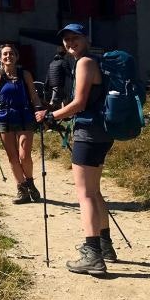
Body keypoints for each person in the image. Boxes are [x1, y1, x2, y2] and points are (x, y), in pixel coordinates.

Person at [34, 23, 116, 276]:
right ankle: (105, 246)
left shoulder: (84, 63)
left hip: (88, 134)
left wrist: (51, 116)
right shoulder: (96, 61)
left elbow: (79, 103)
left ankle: (92, 254)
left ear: (86, 38)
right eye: (66, 40)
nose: (70, 43)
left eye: (75, 38)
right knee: (94, 190)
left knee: (85, 194)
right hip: (101, 133)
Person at [0, 43, 43, 205]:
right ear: (0, 58)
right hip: (4, 117)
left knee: (24, 156)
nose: (8, 56)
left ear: (17, 57)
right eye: (5, 54)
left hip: (25, 116)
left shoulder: (25, 74)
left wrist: (39, 110)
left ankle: (30, 182)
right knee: (13, 157)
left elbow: (33, 94)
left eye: (11, 54)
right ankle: (22, 189)